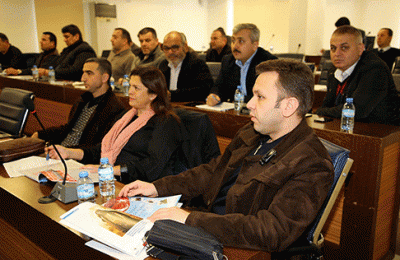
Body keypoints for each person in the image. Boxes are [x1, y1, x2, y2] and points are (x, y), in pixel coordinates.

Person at [119, 59, 334, 252]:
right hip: (210, 230)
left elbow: (273, 231)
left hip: (242, 249)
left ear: (289, 106)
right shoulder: (253, 132)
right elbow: (213, 170)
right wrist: (157, 187)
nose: (249, 103)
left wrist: (191, 219)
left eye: (260, 97)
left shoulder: (312, 162)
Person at [47, 66, 187, 184]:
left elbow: (152, 166)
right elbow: (102, 149)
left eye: (136, 88)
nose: (130, 91)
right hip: (112, 179)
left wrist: (110, 170)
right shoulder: (127, 116)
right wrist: (68, 152)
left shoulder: (166, 122)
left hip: (141, 186)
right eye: (130, 85)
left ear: (153, 94)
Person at [32, 58, 126, 148]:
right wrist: (40, 134)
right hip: (60, 149)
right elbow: (69, 129)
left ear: (105, 77)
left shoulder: (114, 108)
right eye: (83, 73)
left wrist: (68, 152)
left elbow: (99, 146)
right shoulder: (83, 100)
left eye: (89, 73)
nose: (83, 78)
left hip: (78, 156)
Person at [316, 26, 399, 125]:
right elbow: (327, 106)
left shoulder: (375, 69)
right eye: (333, 48)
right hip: (347, 128)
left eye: (344, 47)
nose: (337, 54)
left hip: (382, 133)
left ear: (360, 49)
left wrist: (321, 111)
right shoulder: (333, 71)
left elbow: (355, 110)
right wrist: (322, 111)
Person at [206, 23, 277, 106]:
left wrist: (239, 100)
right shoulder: (227, 60)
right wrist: (214, 95)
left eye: (241, 41)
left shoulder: (268, 63)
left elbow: (264, 95)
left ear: (254, 45)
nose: (235, 45)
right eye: (233, 41)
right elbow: (219, 86)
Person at [159, 31, 214, 101]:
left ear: (185, 47)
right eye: (166, 48)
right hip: (167, 107)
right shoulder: (163, 65)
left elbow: (204, 90)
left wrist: (172, 95)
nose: (170, 52)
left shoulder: (197, 64)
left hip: (189, 108)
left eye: (175, 47)